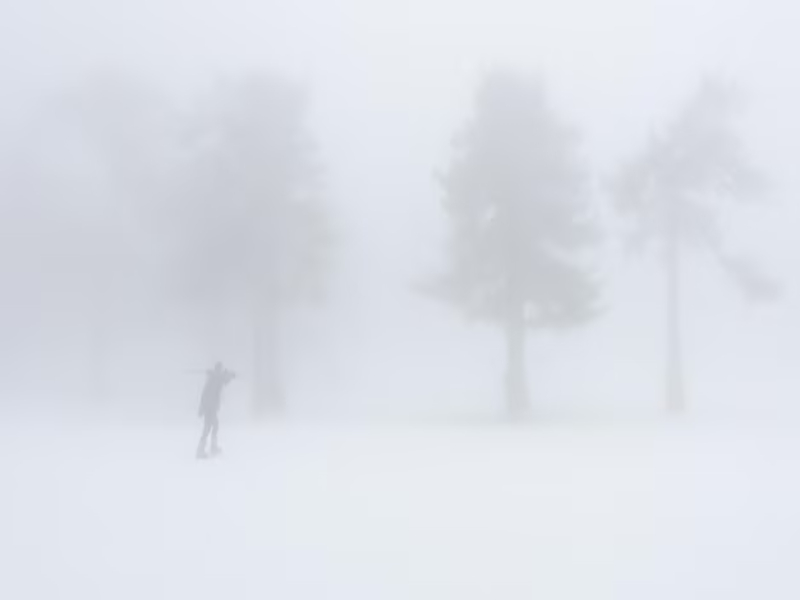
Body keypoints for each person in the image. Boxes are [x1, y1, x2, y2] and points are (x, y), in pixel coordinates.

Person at [196, 361, 236, 459]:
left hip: (210, 407)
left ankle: (211, 447)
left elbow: (224, 380)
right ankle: (201, 451)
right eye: (220, 369)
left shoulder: (213, 378)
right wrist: (230, 375)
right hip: (210, 408)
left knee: (214, 426)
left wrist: (229, 375)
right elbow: (223, 380)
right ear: (218, 370)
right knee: (208, 428)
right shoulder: (214, 379)